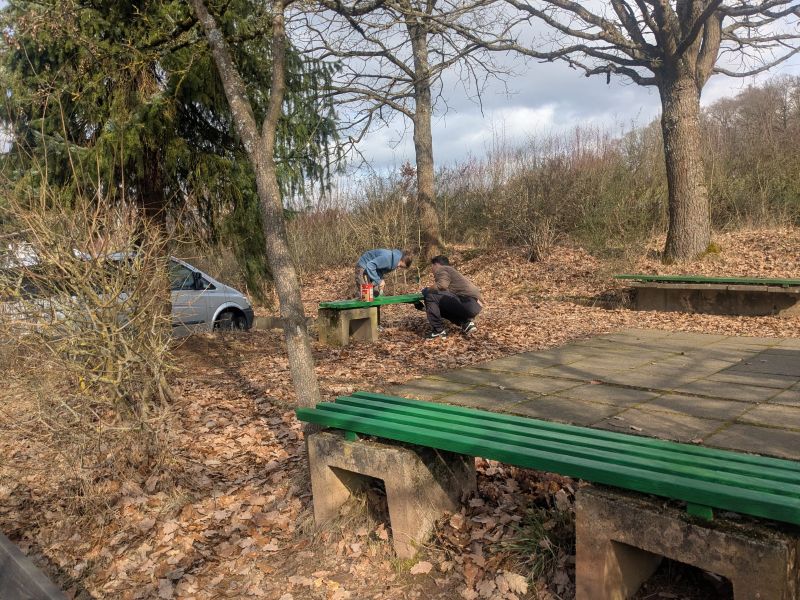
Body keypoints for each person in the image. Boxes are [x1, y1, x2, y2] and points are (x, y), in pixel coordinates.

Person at [420, 255, 482, 339]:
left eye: (432, 266)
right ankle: (465, 323)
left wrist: (427, 290)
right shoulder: (451, 271)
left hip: (468, 303)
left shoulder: (442, 269)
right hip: (474, 305)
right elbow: (445, 292)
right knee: (438, 304)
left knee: (430, 296)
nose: (432, 270)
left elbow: (442, 285)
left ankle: (438, 331)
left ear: (436, 265)